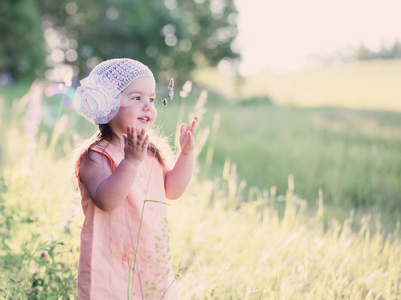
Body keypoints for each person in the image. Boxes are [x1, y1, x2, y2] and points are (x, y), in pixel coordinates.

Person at [73, 58, 198, 299]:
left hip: (152, 261)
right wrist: (130, 162)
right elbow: (106, 200)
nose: (148, 107)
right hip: (109, 264)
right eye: (137, 98)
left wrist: (186, 154)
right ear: (108, 104)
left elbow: (172, 189)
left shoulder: (151, 151)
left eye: (151, 99)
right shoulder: (96, 156)